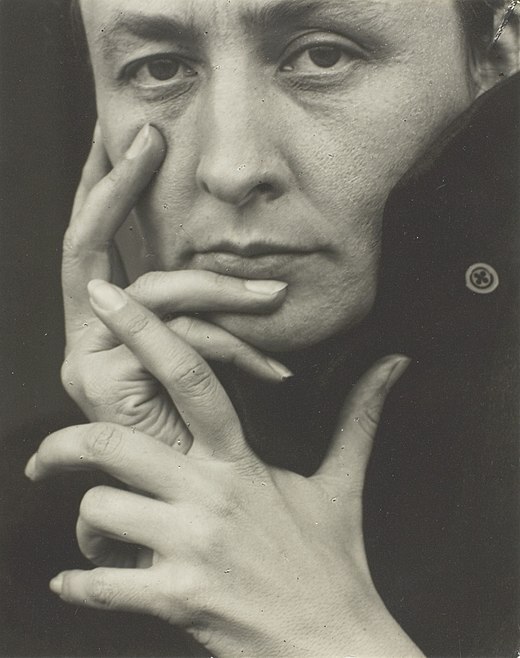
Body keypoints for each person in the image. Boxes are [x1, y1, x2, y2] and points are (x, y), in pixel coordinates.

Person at [23, 0, 518, 656]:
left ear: (500, 54)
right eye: (159, 69)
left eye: (322, 56)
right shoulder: (32, 534)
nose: (231, 169)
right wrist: (180, 472)